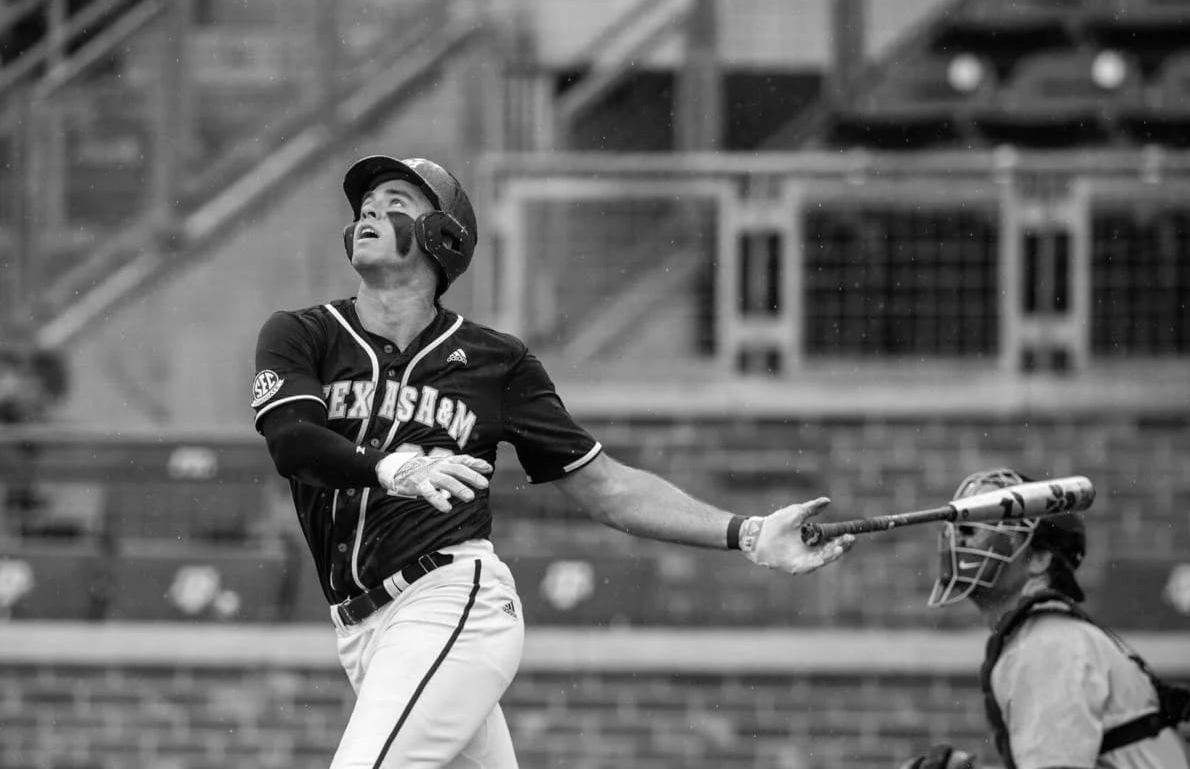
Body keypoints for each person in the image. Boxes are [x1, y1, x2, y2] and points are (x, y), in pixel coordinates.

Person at [250, 154, 855, 768]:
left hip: (447, 601)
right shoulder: (304, 333)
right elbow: (292, 443)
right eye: (367, 205)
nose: (373, 210)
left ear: (443, 239)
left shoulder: (495, 361)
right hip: (360, 631)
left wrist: (747, 533)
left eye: (398, 201)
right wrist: (391, 467)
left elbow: (605, 488)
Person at [902, 468, 1190, 769]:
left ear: (1040, 559)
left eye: (984, 528)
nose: (963, 537)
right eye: (963, 528)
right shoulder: (1048, 637)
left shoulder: (1047, 647)